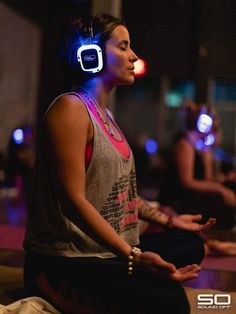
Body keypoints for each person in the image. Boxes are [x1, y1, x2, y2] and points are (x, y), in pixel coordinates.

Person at [23, 15, 209, 314]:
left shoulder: (106, 116)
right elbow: (72, 201)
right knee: (171, 304)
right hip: (66, 260)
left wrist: (169, 220)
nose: (134, 56)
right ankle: (52, 290)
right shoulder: (70, 109)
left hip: (108, 253)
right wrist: (133, 255)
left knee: (189, 245)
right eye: (123, 46)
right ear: (90, 54)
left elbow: (118, 194)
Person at [158, 100, 236, 230]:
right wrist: (220, 189)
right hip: (177, 198)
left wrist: (225, 179)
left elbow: (207, 178)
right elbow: (187, 182)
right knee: (220, 203)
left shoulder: (200, 145)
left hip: (191, 194)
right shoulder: (185, 143)